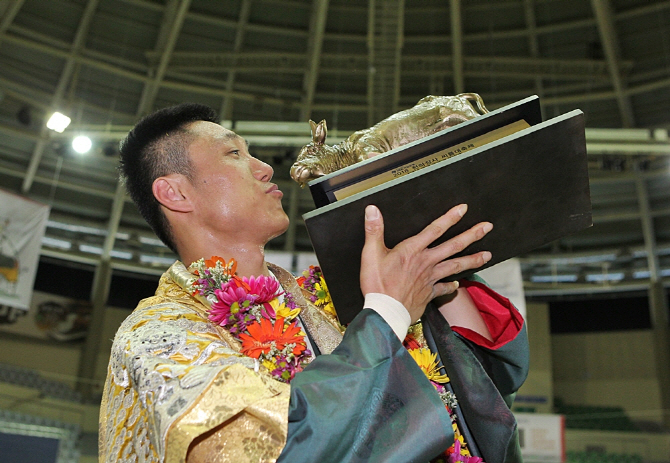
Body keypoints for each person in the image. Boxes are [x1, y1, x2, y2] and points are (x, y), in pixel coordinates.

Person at [99, 103, 528, 463]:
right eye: (233, 153)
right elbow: (267, 449)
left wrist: (428, 247)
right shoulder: (158, 336)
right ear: (175, 193)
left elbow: (486, 389)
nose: (266, 169)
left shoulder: (330, 297)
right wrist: (388, 312)